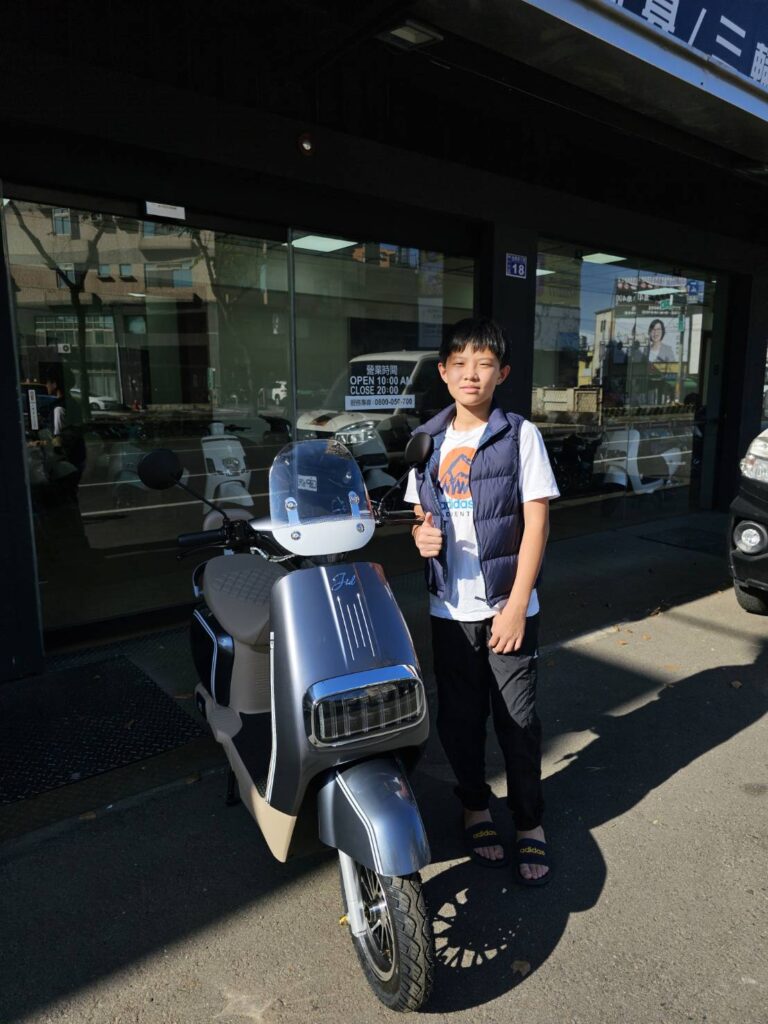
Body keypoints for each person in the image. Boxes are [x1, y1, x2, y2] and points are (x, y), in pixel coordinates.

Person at [404, 317, 559, 885]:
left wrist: (516, 605)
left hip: (506, 607)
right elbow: (421, 515)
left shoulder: (520, 435)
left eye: (485, 364)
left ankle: (529, 820)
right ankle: (474, 806)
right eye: (461, 364)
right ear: (444, 373)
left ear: (503, 373)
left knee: (518, 720)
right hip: (450, 609)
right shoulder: (426, 439)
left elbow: (537, 524)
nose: (472, 374)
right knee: (461, 720)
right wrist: (420, 536)